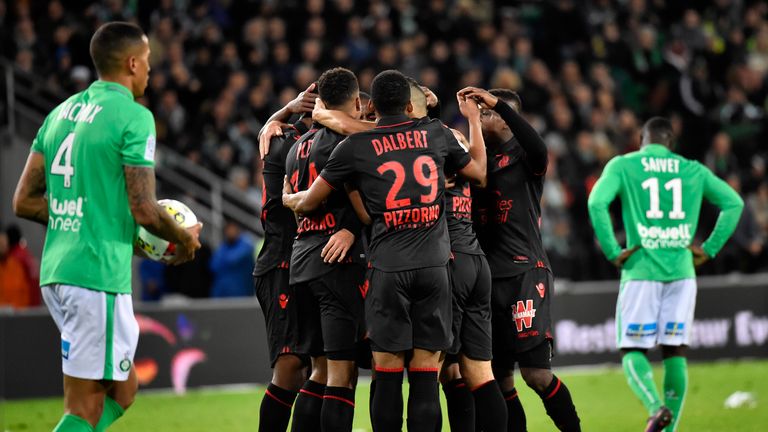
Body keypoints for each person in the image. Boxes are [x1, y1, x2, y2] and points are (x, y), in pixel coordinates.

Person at [12, 22, 201, 432]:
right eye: (148, 61)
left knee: (124, 390)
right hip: (95, 276)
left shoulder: (59, 113)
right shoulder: (133, 118)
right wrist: (184, 239)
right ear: (132, 63)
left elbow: (24, 201)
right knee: (81, 407)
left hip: (59, 272)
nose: (151, 71)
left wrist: (82, 218)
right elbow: (145, 210)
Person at [283, 69, 486, 432]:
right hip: (435, 268)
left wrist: (288, 197)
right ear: (410, 105)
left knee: (387, 375)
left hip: (387, 271)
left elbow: (310, 202)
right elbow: (480, 174)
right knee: (426, 378)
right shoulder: (435, 134)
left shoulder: (355, 147)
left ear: (372, 105)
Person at [588, 117, 744, 432]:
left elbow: (596, 202)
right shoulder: (692, 168)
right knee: (675, 351)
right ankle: (669, 430)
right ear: (670, 142)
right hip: (682, 272)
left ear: (643, 139)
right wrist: (709, 248)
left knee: (633, 349)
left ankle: (654, 408)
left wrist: (612, 250)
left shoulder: (624, 165)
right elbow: (734, 203)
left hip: (641, 269)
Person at [462, 87, 581, 432]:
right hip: (486, 279)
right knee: (499, 380)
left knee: (536, 375)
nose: (480, 117)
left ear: (504, 119)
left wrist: (497, 103)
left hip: (524, 273)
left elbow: (540, 146)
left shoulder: (525, 155)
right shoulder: (477, 158)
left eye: (487, 114)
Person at [284, 67, 366, 432]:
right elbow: (363, 200)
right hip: (335, 261)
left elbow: (294, 197)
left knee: (317, 370)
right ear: (355, 101)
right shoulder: (344, 142)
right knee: (342, 373)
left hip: (301, 262)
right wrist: (351, 227)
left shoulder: (297, 146)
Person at [253, 95, 312, 432]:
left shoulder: (286, 134)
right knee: (290, 366)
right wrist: (287, 110)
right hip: (282, 261)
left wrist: (285, 110)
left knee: (311, 368)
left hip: (306, 261)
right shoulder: (286, 142)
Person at [209, 220, 255, 298]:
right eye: (228, 230)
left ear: (238, 231)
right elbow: (213, 265)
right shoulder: (224, 246)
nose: (230, 233)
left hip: (241, 294)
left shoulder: (246, 245)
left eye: (232, 230)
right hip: (221, 294)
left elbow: (233, 260)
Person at [0, 225, 40, 308]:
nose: (3, 245)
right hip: (33, 305)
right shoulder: (25, 254)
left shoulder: (17, 258)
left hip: (23, 309)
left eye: (4, 242)